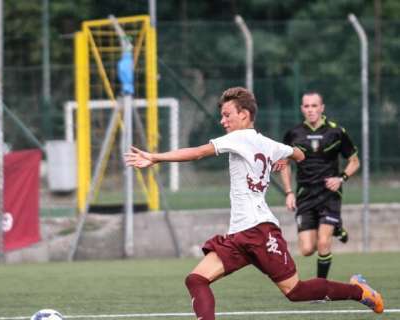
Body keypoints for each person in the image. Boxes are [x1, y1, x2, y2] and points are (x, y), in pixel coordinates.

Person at [124, 87, 383, 319]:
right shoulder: (268, 143)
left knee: (295, 291)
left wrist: (155, 157)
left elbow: (197, 153)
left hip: (258, 230)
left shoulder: (238, 138)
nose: (222, 120)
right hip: (240, 234)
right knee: (196, 279)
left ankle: (358, 292)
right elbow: (300, 154)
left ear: (245, 115)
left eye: (227, 114)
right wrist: (285, 157)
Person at [281, 91, 360, 279]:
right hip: (305, 195)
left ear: (322, 108)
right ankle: (336, 228)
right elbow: (284, 164)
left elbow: (354, 161)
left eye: (314, 105)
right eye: (307, 106)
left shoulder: (336, 132)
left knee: (323, 243)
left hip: (329, 194)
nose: (310, 110)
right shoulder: (293, 134)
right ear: (302, 109)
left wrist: (341, 178)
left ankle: (321, 287)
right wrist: (289, 192)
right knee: (307, 249)